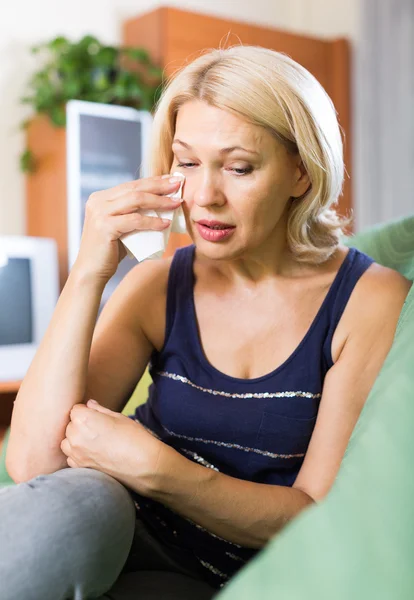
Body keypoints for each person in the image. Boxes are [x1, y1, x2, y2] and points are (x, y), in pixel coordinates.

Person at [2, 45, 411, 600]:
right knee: (63, 514)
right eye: (187, 162)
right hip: (118, 529)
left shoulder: (367, 299)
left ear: (300, 170)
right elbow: (33, 464)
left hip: (225, 576)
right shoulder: (159, 284)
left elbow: (314, 514)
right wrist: (88, 272)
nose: (204, 197)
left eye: (239, 167)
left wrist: (159, 471)